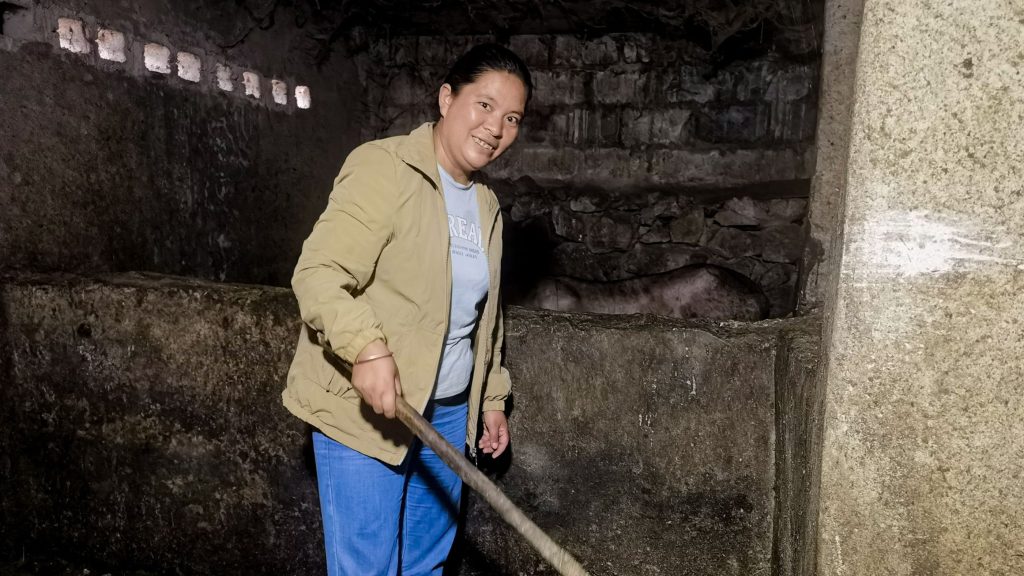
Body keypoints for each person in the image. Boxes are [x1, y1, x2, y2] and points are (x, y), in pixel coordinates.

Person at [282, 43, 532, 576]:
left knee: (426, 565)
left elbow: (482, 317)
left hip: (447, 414)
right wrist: (368, 348)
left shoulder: (486, 205)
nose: (496, 128)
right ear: (446, 98)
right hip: (368, 413)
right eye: (484, 105)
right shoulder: (384, 168)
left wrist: (490, 397)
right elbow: (319, 272)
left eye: (512, 118)